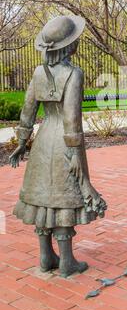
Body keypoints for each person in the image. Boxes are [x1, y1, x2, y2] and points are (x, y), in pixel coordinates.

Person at [9, 15, 107, 277]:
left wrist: (22, 141)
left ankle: (45, 257)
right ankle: (66, 262)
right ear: (70, 47)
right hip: (65, 140)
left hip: (42, 141)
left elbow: (28, 109)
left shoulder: (38, 73)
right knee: (64, 199)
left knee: (44, 196)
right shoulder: (74, 74)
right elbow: (72, 117)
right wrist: (75, 152)